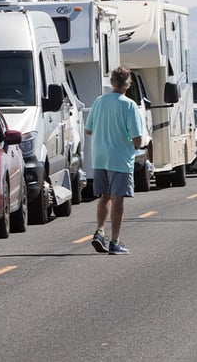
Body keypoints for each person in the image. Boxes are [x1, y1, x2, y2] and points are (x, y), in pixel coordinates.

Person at [85, 66, 143, 255]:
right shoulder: (129, 105)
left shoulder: (99, 102)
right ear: (128, 84)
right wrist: (136, 143)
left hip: (100, 155)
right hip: (120, 157)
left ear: (112, 83)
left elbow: (88, 129)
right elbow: (137, 137)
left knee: (105, 196)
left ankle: (100, 230)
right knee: (118, 200)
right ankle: (115, 241)